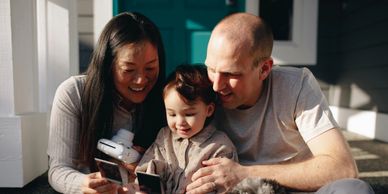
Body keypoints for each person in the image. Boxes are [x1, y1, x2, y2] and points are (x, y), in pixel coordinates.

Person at [185, 13, 375, 194]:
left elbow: (343, 168)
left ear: (264, 69)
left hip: (300, 189)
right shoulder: (202, 88)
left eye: (231, 74)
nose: (217, 86)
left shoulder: (296, 85)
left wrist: (245, 173)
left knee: (354, 189)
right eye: (211, 68)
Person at [47, 12, 166, 194]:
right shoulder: (75, 93)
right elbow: (58, 169)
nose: (141, 80)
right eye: (129, 69)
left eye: (150, 68)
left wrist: (148, 165)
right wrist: (83, 184)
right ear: (107, 64)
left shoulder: (169, 99)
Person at [135, 64, 238, 194]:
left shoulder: (220, 147)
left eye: (189, 114)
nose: (180, 122)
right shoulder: (165, 136)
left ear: (209, 110)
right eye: (172, 114)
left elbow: (225, 187)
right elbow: (144, 171)